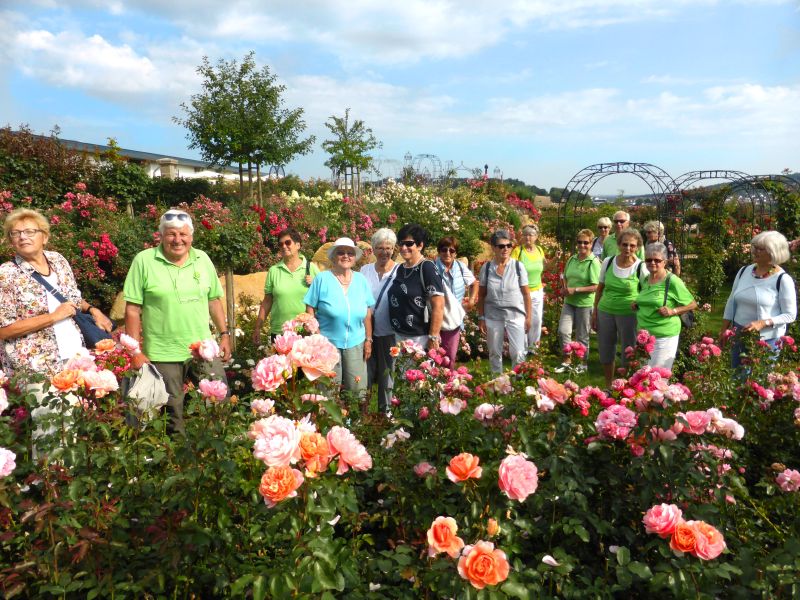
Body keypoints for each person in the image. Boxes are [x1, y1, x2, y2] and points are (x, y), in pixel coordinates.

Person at [123, 209, 230, 434]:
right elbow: (132, 309)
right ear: (161, 236)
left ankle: (215, 455)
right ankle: (177, 464)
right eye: (171, 234)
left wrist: (225, 334)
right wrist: (135, 352)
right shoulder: (144, 261)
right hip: (164, 353)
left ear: (191, 236)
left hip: (203, 351)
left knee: (218, 404)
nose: (178, 240)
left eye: (183, 234)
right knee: (173, 416)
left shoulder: (203, 259)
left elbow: (214, 301)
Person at [0, 208, 113, 377]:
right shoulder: (6, 274)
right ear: (11, 241)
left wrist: (92, 310)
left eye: (30, 231)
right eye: (15, 233)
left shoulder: (58, 260)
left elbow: (72, 298)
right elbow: (4, 330)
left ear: (44, 237)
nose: (23, 237)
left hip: (76, 357)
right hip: (36, 369)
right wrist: (53, 316)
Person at [305, 237, 374, 398]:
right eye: (341, 252)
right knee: (328, 390)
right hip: (328, 343)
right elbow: (310, 306)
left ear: (355, 257)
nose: (345, 256)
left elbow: (367, 312)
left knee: (356, 390)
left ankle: (353, 422)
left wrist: (368, 340)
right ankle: (328, 422)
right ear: (334, 256)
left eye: (350, 253)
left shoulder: (361, 280)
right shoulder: (322, 279)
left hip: (356, 342)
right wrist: (316, 336)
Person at [721, 231, 797, 369]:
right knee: (737, 380)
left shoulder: (782, 280)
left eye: (760, 249)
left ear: (774, 252)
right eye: (754, 247)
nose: (754, 251)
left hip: (767, 340)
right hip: (739, 335)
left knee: (759, 382)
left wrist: (764, 322)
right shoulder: (744, 271)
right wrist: (724, 330)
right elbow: (731, 300)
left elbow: (790, 315)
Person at [593, 229, 646, 388]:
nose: (628, 248)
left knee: (628, 351)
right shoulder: (608, 262)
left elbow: (646, 291)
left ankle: (626, 387)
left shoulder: (640, 267)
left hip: (628, 314)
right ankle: (608, 386)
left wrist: (639, 303)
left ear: (637, 247)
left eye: (632, 245)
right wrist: (595, 312)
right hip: (605, 311)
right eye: (625, 244)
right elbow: (600, 288)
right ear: (618, 245)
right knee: (606, 349)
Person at [632, 243, 697, 370]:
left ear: (665, 262)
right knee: (643, 376)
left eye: (657, 260)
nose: (652, 263)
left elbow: (692, 304)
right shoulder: (645, 279)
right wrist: (637, 303)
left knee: (658, 377)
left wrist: (673, 311)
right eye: (649, 260)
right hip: (644, 335)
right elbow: (648, 298)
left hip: (664, 336)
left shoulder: (671, 280)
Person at [477, 229, 532, 374]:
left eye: (508, 245)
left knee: (518, 352)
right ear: (494, 248)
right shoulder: (487, 268)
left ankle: (518, 384)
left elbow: (526, 294)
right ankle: (497, 383)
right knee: (495, 352)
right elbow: (481, 295)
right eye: (501, 246)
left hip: (516, 315)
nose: (505, 249)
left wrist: (529, 317)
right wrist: (481, 317)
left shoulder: (518, 267)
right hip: (493, 316)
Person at [252, 228, 319, 345]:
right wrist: (258, 327)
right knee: (280, 363)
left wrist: (315, 284)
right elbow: (267, 301)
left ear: (298, 245)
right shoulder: (274, 271)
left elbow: (325, 296)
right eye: (280, 244)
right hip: (280, 332)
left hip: (304, 330)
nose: (284, 246)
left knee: (303, 363)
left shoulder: (311, 268)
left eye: (288, 242)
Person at [387, 223, 445, 350]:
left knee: (417, 370)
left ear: (420, 245)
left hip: (420, 337)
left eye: (409, 244)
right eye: (401, 243)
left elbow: (439, 306)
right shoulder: (402, 269)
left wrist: (433, 337)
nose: (403, 247)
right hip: (399, 335)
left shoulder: (427, 267)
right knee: (400, 370)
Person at [360, 229, 398, 414]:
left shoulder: (400, 270)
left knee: (388, 371)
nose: (384, 252)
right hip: (366, 331)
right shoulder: (364, 270)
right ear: (373, 249)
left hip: (391, 332)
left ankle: (386, 412)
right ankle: (363, 412)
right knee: (365, 372)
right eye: (380, 248)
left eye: (388, 248)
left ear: (393, 249)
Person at [555, 229, 600, 374]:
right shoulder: (572, 259)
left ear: (591, 243)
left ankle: (582, 362)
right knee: (563, 331)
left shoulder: (593, 262)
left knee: (582, 335)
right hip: (569, 301)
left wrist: (576, 290)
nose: (582, 245)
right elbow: (566, 276)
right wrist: (565, 287)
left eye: (586, 243)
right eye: (580, 242)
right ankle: (567, 360)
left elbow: (596, 286)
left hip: (585, 304)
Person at [434, 236, 478, 368]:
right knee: (433, 353)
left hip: (453, 318)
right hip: (435, 316)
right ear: (439, 251)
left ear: (456, 253)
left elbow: (474, 283)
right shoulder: (432, 268)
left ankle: (447, 384)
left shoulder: (460, 267)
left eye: (451, 250)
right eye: (444, 249)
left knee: (450, 355)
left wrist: (471, 301)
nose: (447, 253)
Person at [511, 224, 549, 353]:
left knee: (537, 320)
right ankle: (523, 347)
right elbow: (511, 269)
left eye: (531, 235)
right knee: (523, 319)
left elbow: (546, 266)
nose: (528, 237)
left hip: (537, 290)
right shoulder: (518, 251)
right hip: (521, 291)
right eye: (525, 234)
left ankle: (534, 347)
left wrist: (556, 259)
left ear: (536, 237)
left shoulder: (539, 250)